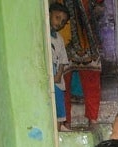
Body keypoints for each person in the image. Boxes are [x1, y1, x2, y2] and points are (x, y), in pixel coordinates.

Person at [58, 0, 103, 130]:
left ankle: (92, 118)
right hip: (64, 36)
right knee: (62, 80)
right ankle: (65, 120)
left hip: (87, 36)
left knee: (92, 75)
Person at [49, 3, 71, 132]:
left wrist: (58, 74)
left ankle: (58, 131)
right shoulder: (43, 35)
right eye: (57, 17)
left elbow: (63, 59)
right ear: (49, 14)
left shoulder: (59, 39)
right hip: (50, 72)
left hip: (57, 76)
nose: (59, 23)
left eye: (63, 21)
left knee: (58, 106)